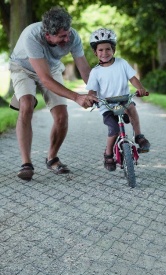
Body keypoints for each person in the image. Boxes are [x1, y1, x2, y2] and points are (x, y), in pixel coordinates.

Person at [9, 6, 98, 181]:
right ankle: (26, 163)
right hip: (22, 69)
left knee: (62, 116)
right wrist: (76, 97)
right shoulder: (32, 36)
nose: (68, 38)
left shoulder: (73, 36)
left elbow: (85, 69)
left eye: (68, 33)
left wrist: (94, 92)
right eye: (62, 36)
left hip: (51, 68)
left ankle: (52, 158)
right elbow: (46, 80)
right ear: (47, 35)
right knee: (26, 105)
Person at [86, 28, 150, 172]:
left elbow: (133, 78)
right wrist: (91, 97)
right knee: (114, 129)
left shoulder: (122, 63)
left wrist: (140, 88)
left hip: (123, 101)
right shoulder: (95, 72)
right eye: (100, 50)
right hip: (107, 105)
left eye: (108, 49)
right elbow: (92, 90)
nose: (104, 53)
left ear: (113, 49)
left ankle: (139, 136)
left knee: (132, 108)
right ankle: (108, 153)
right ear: (95, 52)